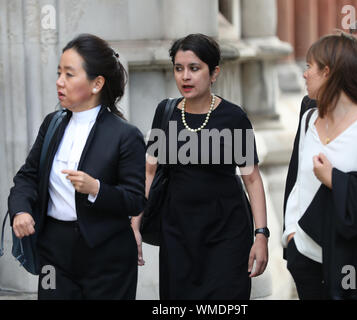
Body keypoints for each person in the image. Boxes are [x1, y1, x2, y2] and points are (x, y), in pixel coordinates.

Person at [8, 34, 146, 300]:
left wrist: (96, 188)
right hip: (53, 252)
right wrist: (21, 210)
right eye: (59, 73)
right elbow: (28, 176)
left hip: (107, 256)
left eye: (69, 74)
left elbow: (135, 200)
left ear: (97, 84)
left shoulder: (125, 135)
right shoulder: (53, 124)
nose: (59, 82)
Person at [132, 33, 269, 300]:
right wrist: (135, 225)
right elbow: (149, 172)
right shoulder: (166, 112)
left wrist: (261, 235)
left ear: (214, 72)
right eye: (179, 68)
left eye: (194, 68)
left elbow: (251, 179)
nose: (185, 76)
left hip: (227, 233)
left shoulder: (234, 117)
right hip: (177, 234)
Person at [283, 33, 357, 299]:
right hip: (309, 265)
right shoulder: (308, 120)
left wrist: (335, 180)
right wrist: (292, 238)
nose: (304, 75)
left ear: (328, 73)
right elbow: (299, 185)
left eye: (309, 67)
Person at [284, 16, 357, 215]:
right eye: (354, 52)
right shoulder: (312, 106)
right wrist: (290, 236)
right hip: (315, 233)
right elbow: (297, 177)